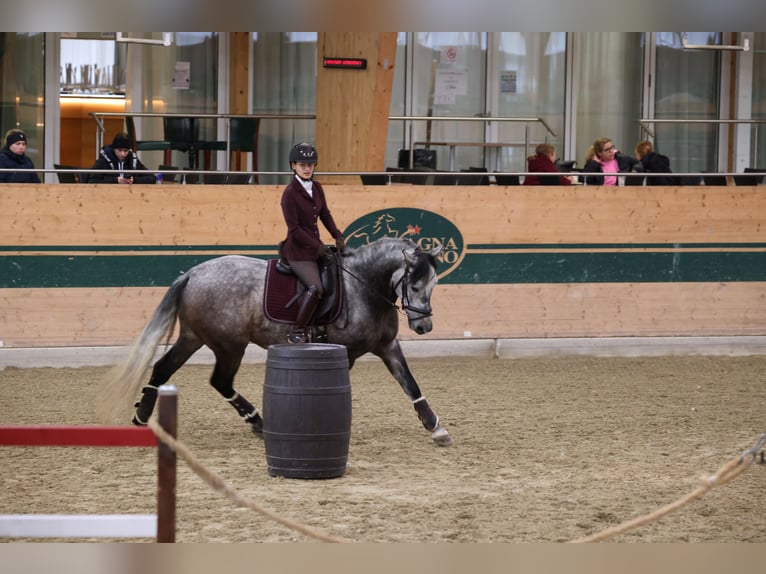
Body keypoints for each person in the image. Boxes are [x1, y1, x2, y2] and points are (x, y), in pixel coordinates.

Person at [279, 142, 346, 343]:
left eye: (310, 164)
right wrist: (317, 246)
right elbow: (295, 229)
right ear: (293, 166)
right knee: (316, 288)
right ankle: (297, 331)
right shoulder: (290, 194)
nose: (307, 168)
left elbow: (325, 214)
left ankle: (323, 326)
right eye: (302, 164)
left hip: (315, 248)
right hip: (298, 252)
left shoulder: (317, 187)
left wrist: (337, 234)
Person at [87, 132, 155, 184]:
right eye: (119, 150)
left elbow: (151, 178)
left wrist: (134, 180)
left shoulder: (133, 160)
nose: (123, 154)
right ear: (114, 149)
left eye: (126, 151)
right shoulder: (103, 161)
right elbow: (92, 181)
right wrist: (115, 181)